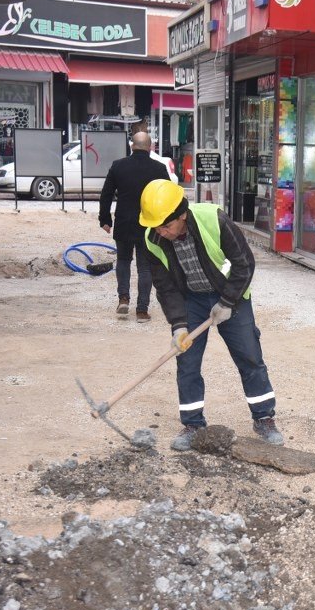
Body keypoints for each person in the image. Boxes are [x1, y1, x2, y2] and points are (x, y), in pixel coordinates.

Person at [137, 179, 284, 450]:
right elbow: (166, 287)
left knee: (249, 356)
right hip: (191, 300)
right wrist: (179, 325)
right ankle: (193, 424)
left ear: (181, 215)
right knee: (187, 361)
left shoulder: (213, 219)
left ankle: (264, 418)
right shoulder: (153, 239)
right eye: (155, 226)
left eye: (165, 225)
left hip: (230, 294)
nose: (160, 231)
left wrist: (227, 302)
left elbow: (244, 263)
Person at [99, 132, 172, 322]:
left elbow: (106, 194)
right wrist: (166, 223)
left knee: (123, 260)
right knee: (145, 267)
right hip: (148, 224)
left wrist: (105, 219)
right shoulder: (158, 168)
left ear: (132, 146)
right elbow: (168, 196)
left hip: (123, 221)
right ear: (150, 147)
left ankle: (123, 299)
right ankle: (141, 310)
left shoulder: (118, 166)